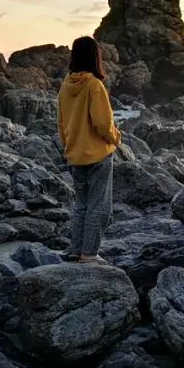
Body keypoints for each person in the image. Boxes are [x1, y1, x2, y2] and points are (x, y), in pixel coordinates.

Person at [57, 35, 121, 264]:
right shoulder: (94, 85)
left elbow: (61, 122)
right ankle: (89, 254)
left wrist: (68, 146)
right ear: (95, 57)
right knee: (99, 206)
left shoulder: (66, 84)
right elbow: (102, 123)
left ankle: (75, 250)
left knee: (81, 205)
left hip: (75, 154)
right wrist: (116, 138)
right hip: (98, 154)